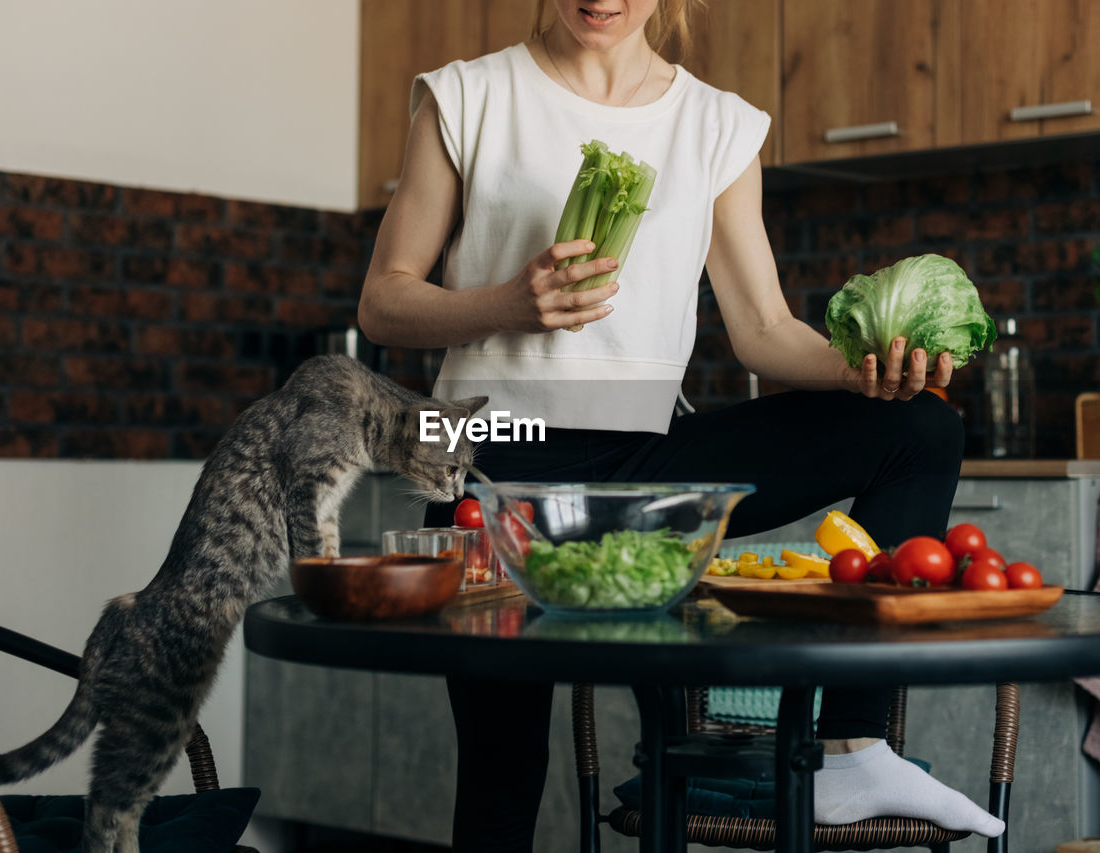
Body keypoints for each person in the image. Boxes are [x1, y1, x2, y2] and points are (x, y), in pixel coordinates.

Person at [358, 1, 1006, 849]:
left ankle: (851, 746)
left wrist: (866, 370)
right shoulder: (467, 96)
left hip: (646, 464)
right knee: (500, 783)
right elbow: (382, 300)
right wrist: (508, 305)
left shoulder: (716, 123)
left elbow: (764, 331)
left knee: (919, 428)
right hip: (493, 457)